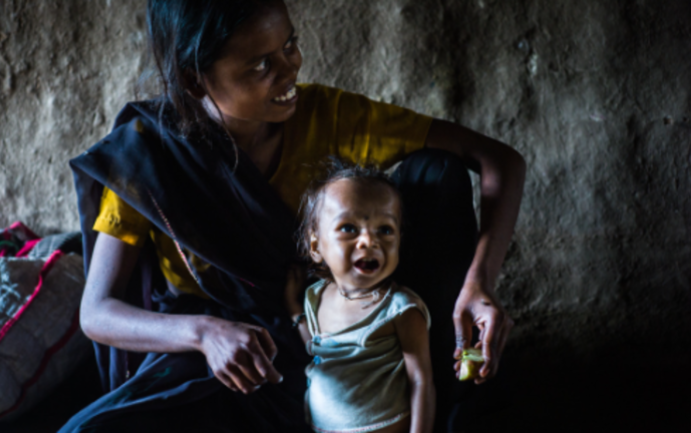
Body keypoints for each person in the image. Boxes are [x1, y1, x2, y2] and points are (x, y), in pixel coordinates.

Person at [61, 0, 525, 431]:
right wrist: (204, 333)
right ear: (193, 79)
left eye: (289, 46)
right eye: (261, 64)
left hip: (343, 327)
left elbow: (498, 160)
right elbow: (98, 312)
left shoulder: (327, 116)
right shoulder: (152, 158)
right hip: (228, 353)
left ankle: (448, 396)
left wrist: (479, 283)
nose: (290, 71)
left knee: (435, 174)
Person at [285, 163, 435, 433]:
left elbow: (421, 381)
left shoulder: (400, 309)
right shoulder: (316, 296)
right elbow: (319, 351)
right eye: (349, 228)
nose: (369, 241)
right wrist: (295, 309)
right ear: (316, 246)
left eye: (385, 230)